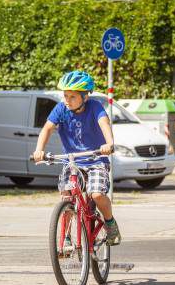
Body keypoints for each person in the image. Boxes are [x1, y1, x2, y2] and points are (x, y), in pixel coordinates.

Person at [32, 71, 121, 245]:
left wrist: (109, 144)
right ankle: (65, 236)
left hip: (96, 160)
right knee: (66, 195)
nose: (67, 100)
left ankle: (110, 223)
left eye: (72, 96)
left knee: (96, 194)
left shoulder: (95, 107)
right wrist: (39, 150)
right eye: (65, 95)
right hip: (72, 162)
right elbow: (47, 129)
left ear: (85, 97)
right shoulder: (61, 109)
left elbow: (104, 123)